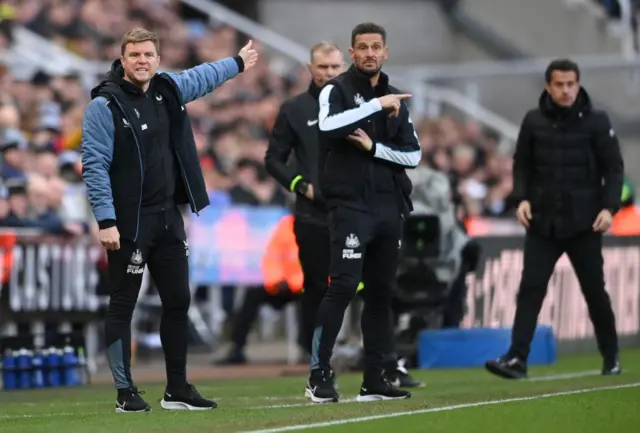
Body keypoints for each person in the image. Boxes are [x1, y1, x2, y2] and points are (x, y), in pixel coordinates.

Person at [81, 27, 258, 412]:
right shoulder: (104, 106)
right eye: (135, 55)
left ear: (158, 59)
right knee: (123, 303)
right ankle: (124, 392)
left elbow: (202, 76)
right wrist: (105, 220)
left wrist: (238, 63)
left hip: (168, 217)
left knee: (178, 300)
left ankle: (177, 389)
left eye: (148, 55)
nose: (142, 61)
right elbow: (94, 166)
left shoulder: (168, 89)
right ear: (122, 59)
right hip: (129, 222)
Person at [485, 59, 624, 380]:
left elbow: (613, 169)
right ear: (548, 86)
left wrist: (609, 208)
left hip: (585, 223)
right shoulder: (534, 121)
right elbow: (521, 164)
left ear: (578, 84)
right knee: (530, 290)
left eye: (570, 84)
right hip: (543, 223)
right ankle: (517, 358)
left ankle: (611, 355)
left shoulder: (597, 122)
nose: (565, 90)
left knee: (595, 292)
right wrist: (520, 199)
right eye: (559, 84)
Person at [307, 22, 421, 403]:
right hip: (350, 206)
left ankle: (375, 379)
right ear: (351, 53)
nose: (370, 53)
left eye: (376, 47)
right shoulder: (334, 91)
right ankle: (319, 375)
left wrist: (374, 148)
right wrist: (373, 107)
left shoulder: (395, 96)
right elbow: (327, 126)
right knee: (341, 287)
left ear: (385, 52)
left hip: (390, 207)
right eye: (362, 47)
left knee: (380, 294)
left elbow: (414, 155)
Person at [263, 41, 343, 363]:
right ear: (310, 69)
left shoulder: (358, 105)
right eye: (322, 67)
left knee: (364, 284)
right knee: (315, 287)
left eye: (335, 67)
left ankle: (372, 354)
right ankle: (314, 355)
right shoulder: (295, 109)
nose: (329, 73)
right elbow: (273, 159)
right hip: (312, 216)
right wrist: (301, 186)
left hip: (352, 212)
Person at [217, 213, 304, 363]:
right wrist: (276, 281)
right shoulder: (287, 224)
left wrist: (296, 282)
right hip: (283, 284)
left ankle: (309, 349)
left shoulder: (321, 224)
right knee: (252, 294)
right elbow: (272, 255)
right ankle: (237, 348)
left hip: (306, 285)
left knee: (312, 300)